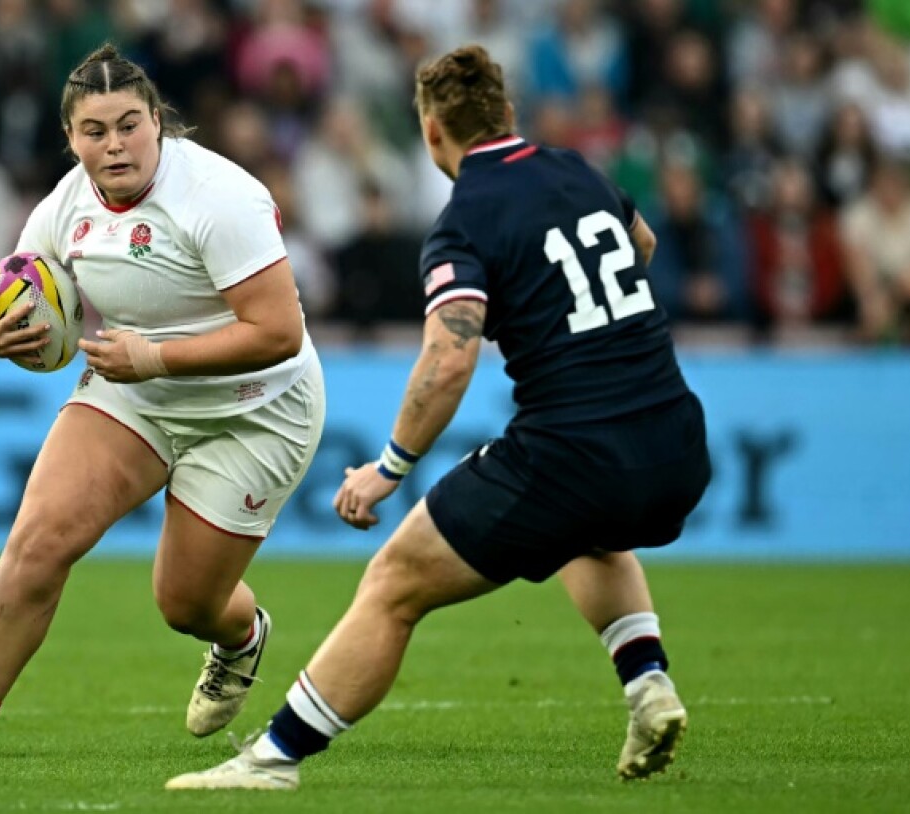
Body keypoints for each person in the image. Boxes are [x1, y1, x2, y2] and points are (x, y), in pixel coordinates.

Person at [166, 44, 711, 791]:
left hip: (572, 451)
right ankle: (649, 685)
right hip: (677, 438)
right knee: (588, 535)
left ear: (431, 133)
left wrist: (389, 468)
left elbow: (448, 360)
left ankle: (274, 759)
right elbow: (640, 243)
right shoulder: (579, 172)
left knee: (395, 581)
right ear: (507, 113)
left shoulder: (465, 222)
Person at [0, 43, 325, 759]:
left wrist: (152, 356)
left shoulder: (220, 197)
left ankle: (241, 637)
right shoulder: (64, 204)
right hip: (136, 392)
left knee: (186, 603)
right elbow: (10, 296)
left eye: (129, 125)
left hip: (254, 408)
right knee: (39, 539)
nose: (115, 144)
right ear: (70, 138)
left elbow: (278, 334)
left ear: (158, 120)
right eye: (94, 131)